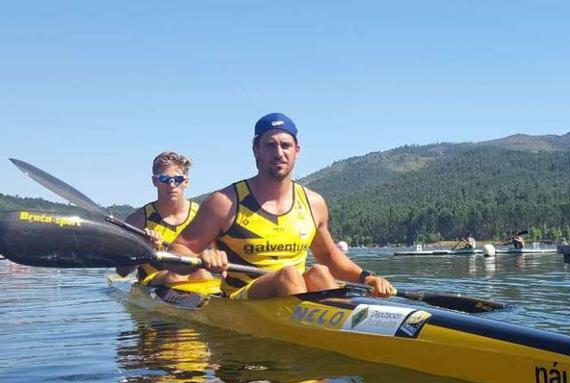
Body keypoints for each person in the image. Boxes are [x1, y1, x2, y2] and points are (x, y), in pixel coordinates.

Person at [168, 112, 395, 300]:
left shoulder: (313, 203)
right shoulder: (225, 203)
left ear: (297, 150)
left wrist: (367, 278)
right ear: (256, 149)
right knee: (288, 275)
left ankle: (339, 334)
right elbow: (177, 250)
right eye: (270, 145)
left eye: (286, 145)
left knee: (319, 271)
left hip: (294, 294)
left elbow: (329, 256)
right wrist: (205, 257)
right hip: (242, 298)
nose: (279, 153)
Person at [116, 152, 212, 285]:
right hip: (154, 284)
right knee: (175, 277)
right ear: (155, 181)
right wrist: (144, 249)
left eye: (177, 179)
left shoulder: (203, 215)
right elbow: (122, 271)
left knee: (203, 274)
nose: (172, 185)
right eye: (165, 179)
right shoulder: (138, 220)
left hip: (197, 279)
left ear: (186, 182)